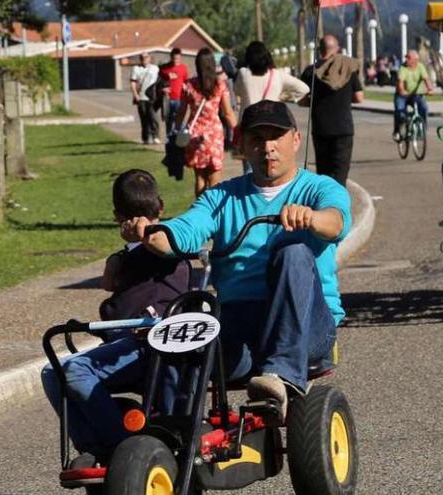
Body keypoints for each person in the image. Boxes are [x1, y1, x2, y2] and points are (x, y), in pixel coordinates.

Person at [124, 100, 351, 423]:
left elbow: (336, 222)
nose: (268, 147)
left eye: (277, 137)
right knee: (182, 341)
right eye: (257, 139)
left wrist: (312, 219)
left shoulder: (319, 188)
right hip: (240, 322)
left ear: (296, 140)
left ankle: (282, 374)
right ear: (242, 145)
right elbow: (186, 230)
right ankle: (173, 436)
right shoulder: (222, 196)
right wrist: (151, 232)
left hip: (307, 324)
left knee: (293, 251)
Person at [41, 169, 190, 467]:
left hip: (154, 347)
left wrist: (140, 242)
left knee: (76, 371)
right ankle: (96, 448)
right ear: (160, 204)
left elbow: (169, 254)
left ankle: (122, 448)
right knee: (51, 372)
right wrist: (120, 258)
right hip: (125, 344)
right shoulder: (127, 257)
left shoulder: (171, 244)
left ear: (115, 216)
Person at [235, 41, 310, 174]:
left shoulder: (243, 73)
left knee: (249, 167)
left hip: (250, 124)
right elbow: (304, 89)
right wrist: (283, 96)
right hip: (272, 123)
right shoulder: (277, 75)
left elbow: (237, 91)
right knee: (273, 165)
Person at [299, 35, 364, 187]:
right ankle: (339, 206)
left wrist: (314, 101)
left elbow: (301, 100)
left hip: (321, 129)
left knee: (323, 173)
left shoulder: (311, 72)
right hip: (343, 129)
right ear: (336, 49)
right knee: (341, 172)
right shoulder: (347, 69)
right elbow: (359, 97)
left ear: (319, 50)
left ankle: (324, 206)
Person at [175, 47, 238, 197]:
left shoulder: (189, 85)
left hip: (194, 135)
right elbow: (228, 113)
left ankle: (201, 213)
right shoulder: (220, 85)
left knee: (200, 179)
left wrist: (177, 130)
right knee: (214, 179)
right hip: (214, 137)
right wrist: (237, 131)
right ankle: (214, 215)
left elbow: (181, 112)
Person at [393, 50, 434, 142]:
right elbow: (400, 83)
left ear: (415, 60)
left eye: (409, 58)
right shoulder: (403, 68)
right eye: (406, 57)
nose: (406, 59)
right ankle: (397, 131)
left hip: (415, 95)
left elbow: (426, 79)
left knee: (424, 108)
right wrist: (402, 90)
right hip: (402, 95)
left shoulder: (420, 67)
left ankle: (422, 129)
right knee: (400, 112)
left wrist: (430, 89)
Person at [130, 52, 161, 145]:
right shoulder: (136, 69)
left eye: (146, 57)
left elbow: (159, 81)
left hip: (152, 97)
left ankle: (156, 136)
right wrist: (135, 94)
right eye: (142, 57)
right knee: (144, 118)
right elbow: (133, 82)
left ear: (149, 58)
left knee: (153, 117)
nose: (144, 59)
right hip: (141, 97)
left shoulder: (155, 68)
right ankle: (146, 137)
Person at [159, 48, 189, 137]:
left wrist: (185, 86)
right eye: (174, 58)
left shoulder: (183, 68)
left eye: (178, 59)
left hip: (179, 98)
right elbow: (157, 83)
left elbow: (186, 81)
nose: (176, 61)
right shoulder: (164, 68)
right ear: (171, 57)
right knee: (168, 120)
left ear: (180, 58)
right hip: (167, 99)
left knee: (180, 120)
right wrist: (162, 89)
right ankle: (169, 139)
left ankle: (182, 138)